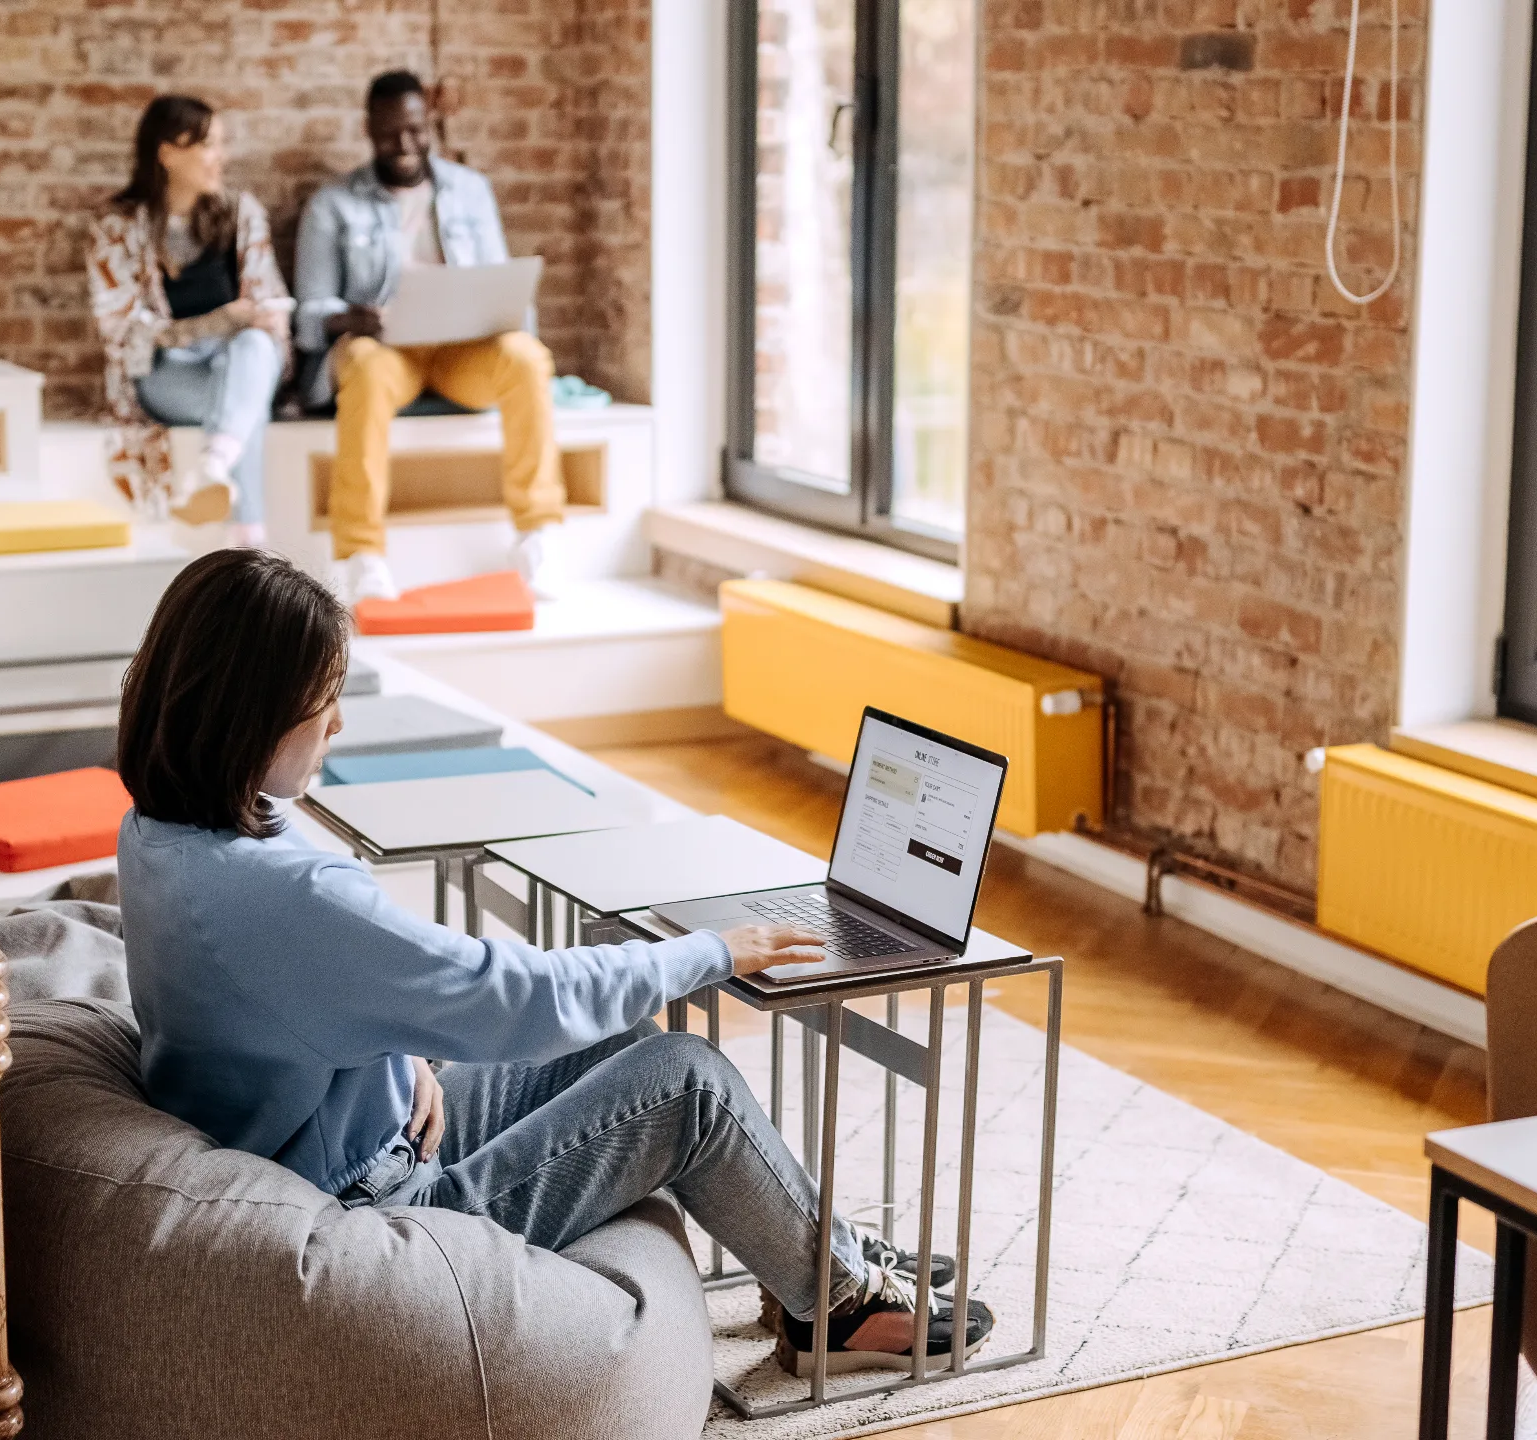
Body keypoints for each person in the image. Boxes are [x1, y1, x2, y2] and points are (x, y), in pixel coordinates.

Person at [112, 549, 993, 1374]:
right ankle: (832, 1312)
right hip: (379, 1210)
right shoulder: (286, 892)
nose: (338, 721)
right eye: (322, 700)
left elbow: (301, 993)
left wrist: (399, 1048)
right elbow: (511, 999)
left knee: (614, 1039)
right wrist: (712, 951)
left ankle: (819, 1248)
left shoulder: (168, 830)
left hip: (344, 1132)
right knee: (685, 1080)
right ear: (250, 716)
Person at [294, 71, 567, 606]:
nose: (405, 145)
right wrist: (354, 318)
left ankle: (538, 536)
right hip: (386, 351)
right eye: (391, 133)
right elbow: (307, 315)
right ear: (368, 130)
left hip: (461, 352)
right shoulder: (332, 205)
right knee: (366, 367)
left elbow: (495, 279)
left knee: (528, 358)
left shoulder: (470, 190)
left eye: (416, 131)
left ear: (431, 126)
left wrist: (504, 312)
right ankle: (362, 554)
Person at [89, 95, 288, 548]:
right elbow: (118, 326)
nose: (222, 157)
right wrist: (213, 323)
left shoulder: (242, 214)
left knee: (252, 352)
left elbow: (269, 300)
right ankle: (248, 538)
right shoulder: (116, 227)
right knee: (244, 405)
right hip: (168, 373)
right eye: (209, 145)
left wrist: (262, 317)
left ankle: (216, 466)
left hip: (242, 362)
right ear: (167, 152)